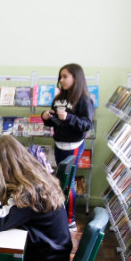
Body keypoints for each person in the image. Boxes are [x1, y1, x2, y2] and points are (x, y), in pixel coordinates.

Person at [41, 63, 94, 231]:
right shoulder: (58, 99)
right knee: (60, 181)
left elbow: (86, 125)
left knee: (68, 182)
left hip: (74, 146)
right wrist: (46, 118)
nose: (61, 80)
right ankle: (60, 215)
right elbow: (56, 121)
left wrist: (69, 117)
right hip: (59, 144)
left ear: (75, 78)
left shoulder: (84, 100)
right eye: (60, 77)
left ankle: (70, 221)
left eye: (65, 76)